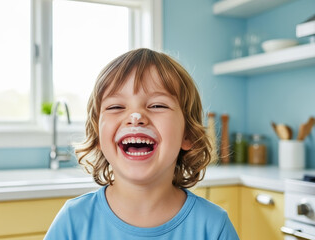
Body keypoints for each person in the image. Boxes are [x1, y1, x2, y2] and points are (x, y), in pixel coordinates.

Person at [44, 48, 239, 239]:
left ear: (187, 134)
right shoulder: (72, 221)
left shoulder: (214, 227)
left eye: (157, 105)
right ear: (97, 136)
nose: (135, 118)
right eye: (116, 106)